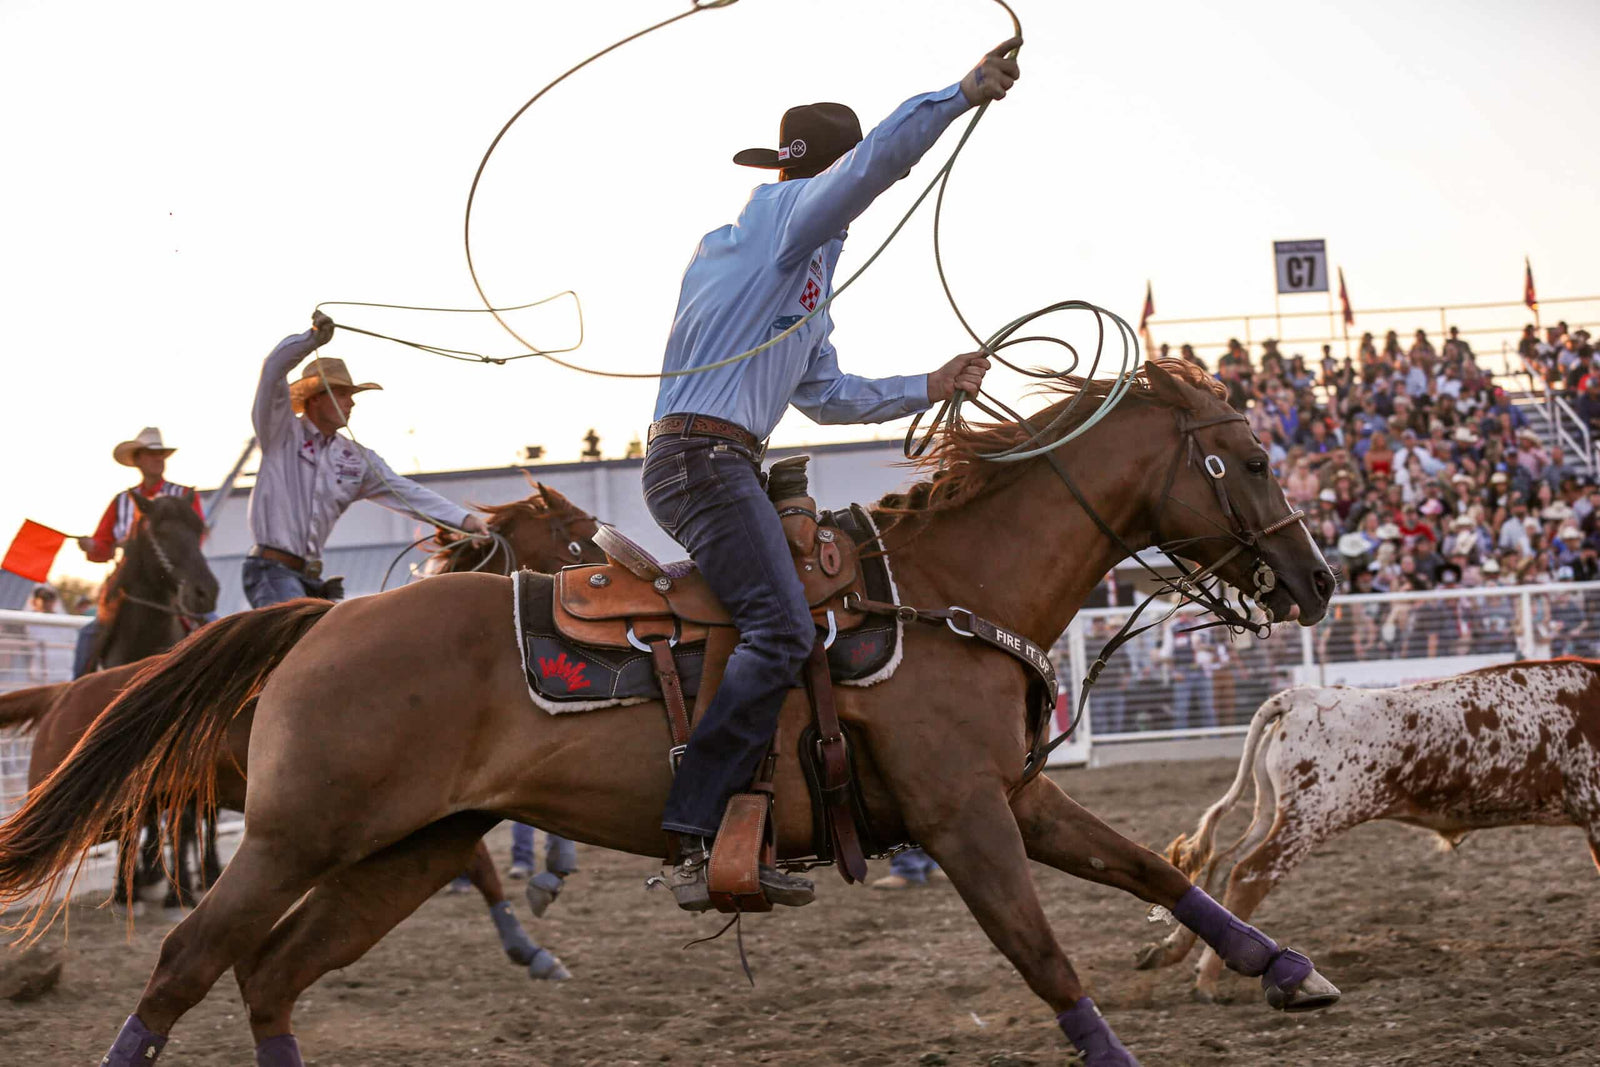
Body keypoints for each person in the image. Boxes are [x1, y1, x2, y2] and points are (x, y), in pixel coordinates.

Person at [647, 41, 1018, 912]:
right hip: (706, 458)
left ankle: (761, 809)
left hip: (711, 457)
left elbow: (828, 395)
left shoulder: (798, 274)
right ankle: (700, 827)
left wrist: (929, 385)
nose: (855, 203)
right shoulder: (780, 223)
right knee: (781, 630)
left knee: (784, 620)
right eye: (846, 180)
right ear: (825, 176)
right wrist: (960, 94)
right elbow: (879, 163)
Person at [245, 313, 487, 607]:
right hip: (271, 572)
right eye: (343, 393)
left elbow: (405, 493)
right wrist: (312, 339)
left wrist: (464, 520)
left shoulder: (355, 459)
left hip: (305, 578)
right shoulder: (280, 432)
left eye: (351, 394)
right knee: (301, 634)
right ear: (316, 398)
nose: (352, 402)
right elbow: (273, 369)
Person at [72, 427, 207, 677]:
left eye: (161, 454)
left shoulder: (183, 496)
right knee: (90, 633)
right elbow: (103, 546)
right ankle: (76, 691)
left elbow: (196, 535)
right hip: (129, 583)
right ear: (138, 460)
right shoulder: (122, 501)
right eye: (151, 453)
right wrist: (92, 546)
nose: (158, 459)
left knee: (210, 623)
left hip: (175, 579)